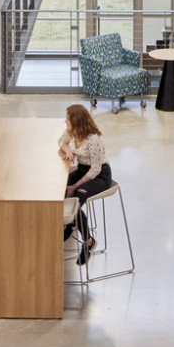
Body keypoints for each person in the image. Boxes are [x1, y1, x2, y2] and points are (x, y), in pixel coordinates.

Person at [58, 103, 112, 261]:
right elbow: (61, 140)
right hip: (82, 169)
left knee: (76, 197)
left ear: (77, 121)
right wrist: (68, 150)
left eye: (67, 119)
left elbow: (95, 170)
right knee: (60, 188)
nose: (65, 121)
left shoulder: (94, 140)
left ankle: (87, 240)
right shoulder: (72, 132)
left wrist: (74, 186)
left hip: (99, 175)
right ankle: (71, 224)